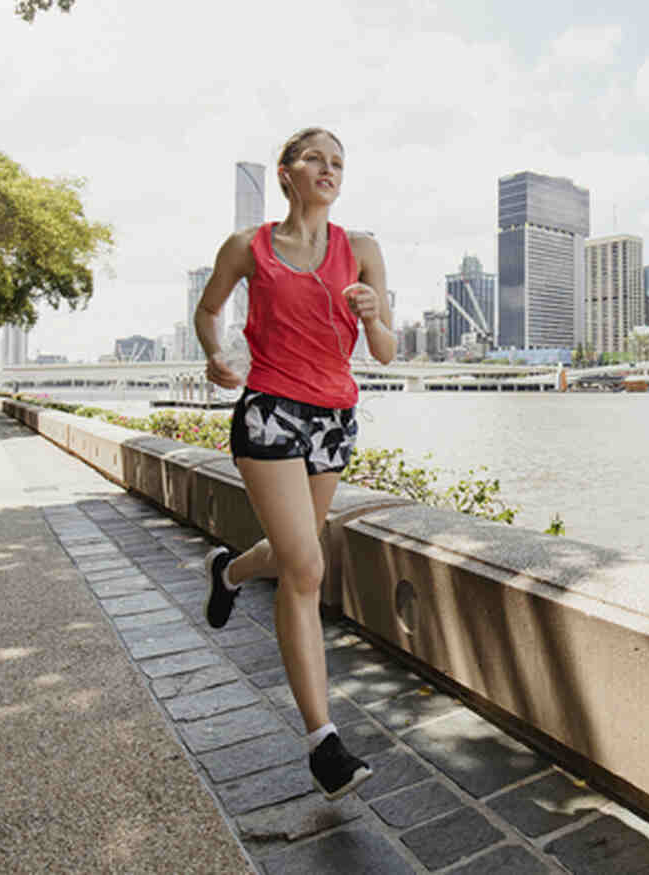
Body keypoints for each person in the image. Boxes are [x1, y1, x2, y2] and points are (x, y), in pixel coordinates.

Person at [195, 127, 394, 801]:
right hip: (270, 412)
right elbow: (208, 309)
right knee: (307, 566)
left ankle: (228, 569)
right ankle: (323, 744)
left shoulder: (360, 250)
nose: (329, 169)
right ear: (286, 172)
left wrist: (373, 316)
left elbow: (388, 350)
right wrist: (216, 355)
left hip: (334, 418)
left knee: (291, 554)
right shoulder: (246, 248)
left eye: (339, 161)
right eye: (316, 158)